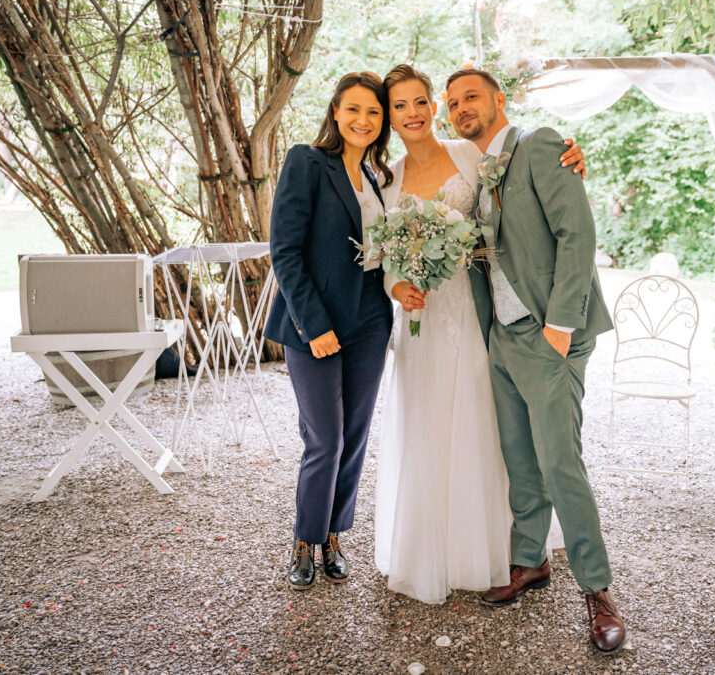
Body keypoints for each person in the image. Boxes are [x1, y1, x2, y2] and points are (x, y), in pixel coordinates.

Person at [373, 65, 585, 605]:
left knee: (488, 429)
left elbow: (524, 195)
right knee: (428, 426)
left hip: (477, 312)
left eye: (422, 101)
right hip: (421, 322)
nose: (414, 112)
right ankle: (435, 549)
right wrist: (401, 288)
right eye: (400, 106)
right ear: (390, 117)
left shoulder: (470, 156)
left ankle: (501, 547)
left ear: (433, 107)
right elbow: (384, 259)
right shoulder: (387, 178)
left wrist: (572, 159)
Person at [446, 67, 627, 655]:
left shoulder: (543, 144)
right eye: (453, 102)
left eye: (470, 96)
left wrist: (560, 324)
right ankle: (531, 561)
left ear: (499, 100)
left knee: (559, 463)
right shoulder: (474, 171)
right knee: (520, 459)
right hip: (501, 335)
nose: (460, 108)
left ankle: (597, 590)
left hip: (551, 335)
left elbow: (579, 234)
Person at [264, 72, 394, 590]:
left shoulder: (380, 177)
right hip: (315, 321)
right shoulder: (306, 162)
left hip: (370, 320)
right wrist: (314, 324)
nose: (364, 120)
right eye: (354, 110)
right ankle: (304, 539)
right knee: (326, 437)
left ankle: (335, 536)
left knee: (356, 435)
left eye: (374, 113)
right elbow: (286, 251)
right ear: (336, 112)